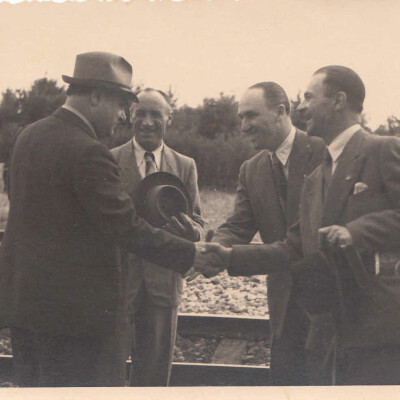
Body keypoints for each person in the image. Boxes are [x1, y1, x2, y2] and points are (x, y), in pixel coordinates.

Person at [0, 52, 211, 387]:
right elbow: (125, 227)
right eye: (120, 104)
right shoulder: (89, 151)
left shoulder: (28, 136)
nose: (123, 116)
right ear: (96, 97)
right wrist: (191, 254)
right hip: (76, 322)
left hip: (26, 311)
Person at [203, 66, 400, 385]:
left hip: (380, 331)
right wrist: (225, 256)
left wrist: (357, 232)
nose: (302, 106)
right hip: (332, 328)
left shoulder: (382, 149)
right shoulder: (318, 177)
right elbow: (293, 247)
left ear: (339, 101)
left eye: (309, 96)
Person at [211, 82, 324, 385]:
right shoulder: (251, 169)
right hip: (284, 307)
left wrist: (227, 256)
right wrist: (209, 249)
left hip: (329, 306)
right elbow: (239, 225)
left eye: (251, 116)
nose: (244, 127)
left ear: (281, 112)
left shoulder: (323, 152)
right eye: (241, 118)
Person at [111, 88, 204, 386]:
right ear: (129, 116)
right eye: (140, 114)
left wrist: (194, 232)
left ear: (169, 119)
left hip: (164, 285)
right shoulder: (109, 160)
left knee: (154, 377)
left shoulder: (185, 165)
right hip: (117, 285)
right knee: (107, 373)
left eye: (156, 115)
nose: (147, 122)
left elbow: (199, 221)